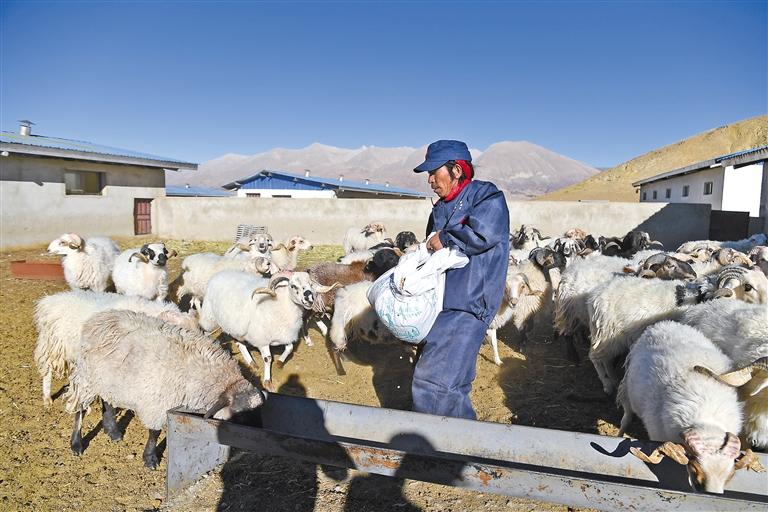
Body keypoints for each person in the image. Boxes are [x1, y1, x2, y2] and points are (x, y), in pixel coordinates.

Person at [411, 139, 510, 420]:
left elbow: (483, 233)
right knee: (450, 385)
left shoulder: (486, 197)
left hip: (470, 302)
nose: (430, 180)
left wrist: (445, 238)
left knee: (434, 383)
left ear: (456, 170)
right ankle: (462, 441)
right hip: (441, 303)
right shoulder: (440, 208)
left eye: (434, 172)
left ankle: (436, 441)